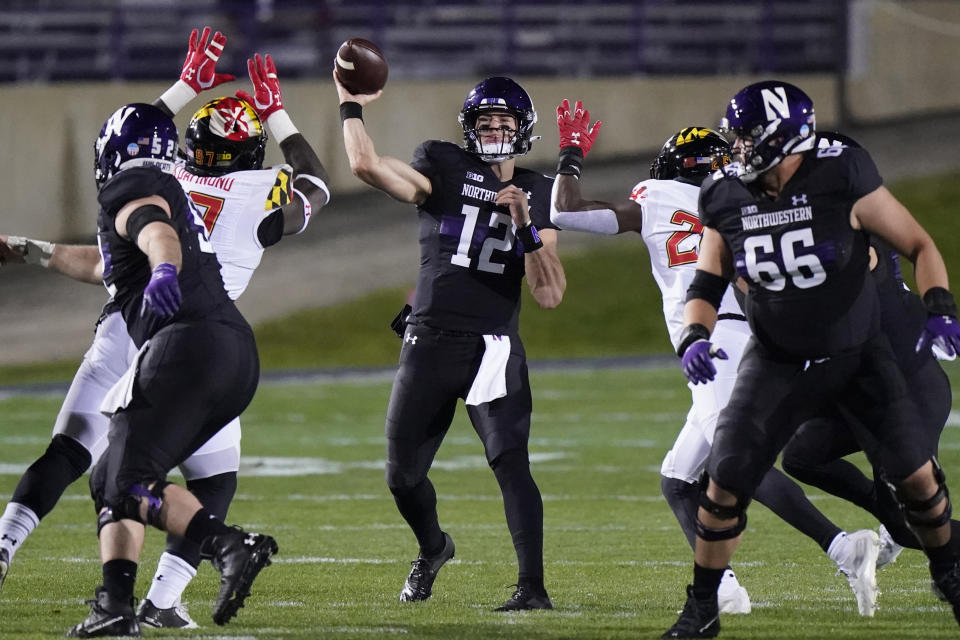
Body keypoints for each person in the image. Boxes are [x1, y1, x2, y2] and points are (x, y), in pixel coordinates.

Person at [0, 30, 327, 634]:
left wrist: (184, 87)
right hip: (218, 339)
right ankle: (154, 600)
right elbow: (315, 183)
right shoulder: (256, 194)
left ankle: (66, 575)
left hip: (154, 335)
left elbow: (135, 148)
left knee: (84, 459)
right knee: (203, 477)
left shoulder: (160, 177)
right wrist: (276, 110)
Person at [548, 107, 881, 616]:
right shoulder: (740, 200)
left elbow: (565, 212)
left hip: (709, 342)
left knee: (735, 461)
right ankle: (725, 588)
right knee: (678, 479)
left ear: (673, 165)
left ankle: (844, 548)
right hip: (757, 334)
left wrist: (570, 154)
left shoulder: (656, 196)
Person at [662, 79, 960, 638]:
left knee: (916, 481)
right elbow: (706, 278)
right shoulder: (725, 194)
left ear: (782, 138)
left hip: (857, 351)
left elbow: (918, 243)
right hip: (775, 358)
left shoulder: (840, 173)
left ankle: (949, 574)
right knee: (723, 480)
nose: (737, 150)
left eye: (747, 139)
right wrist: (694, 337)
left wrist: (939, 306)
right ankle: (702, 608)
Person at [334, 73, 566, 610]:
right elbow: (366, 166)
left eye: (504, 122)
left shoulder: (536, 188)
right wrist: (350, 105)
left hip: (494, 346)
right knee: (401, 475)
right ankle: (434, 546)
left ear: (523, 129)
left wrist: (526, 224)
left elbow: (549, 293)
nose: (493, 130)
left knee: (511, 462)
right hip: (432, 338)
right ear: (468, 129)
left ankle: (531, 587)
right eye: (484, 122)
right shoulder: (443, 165)